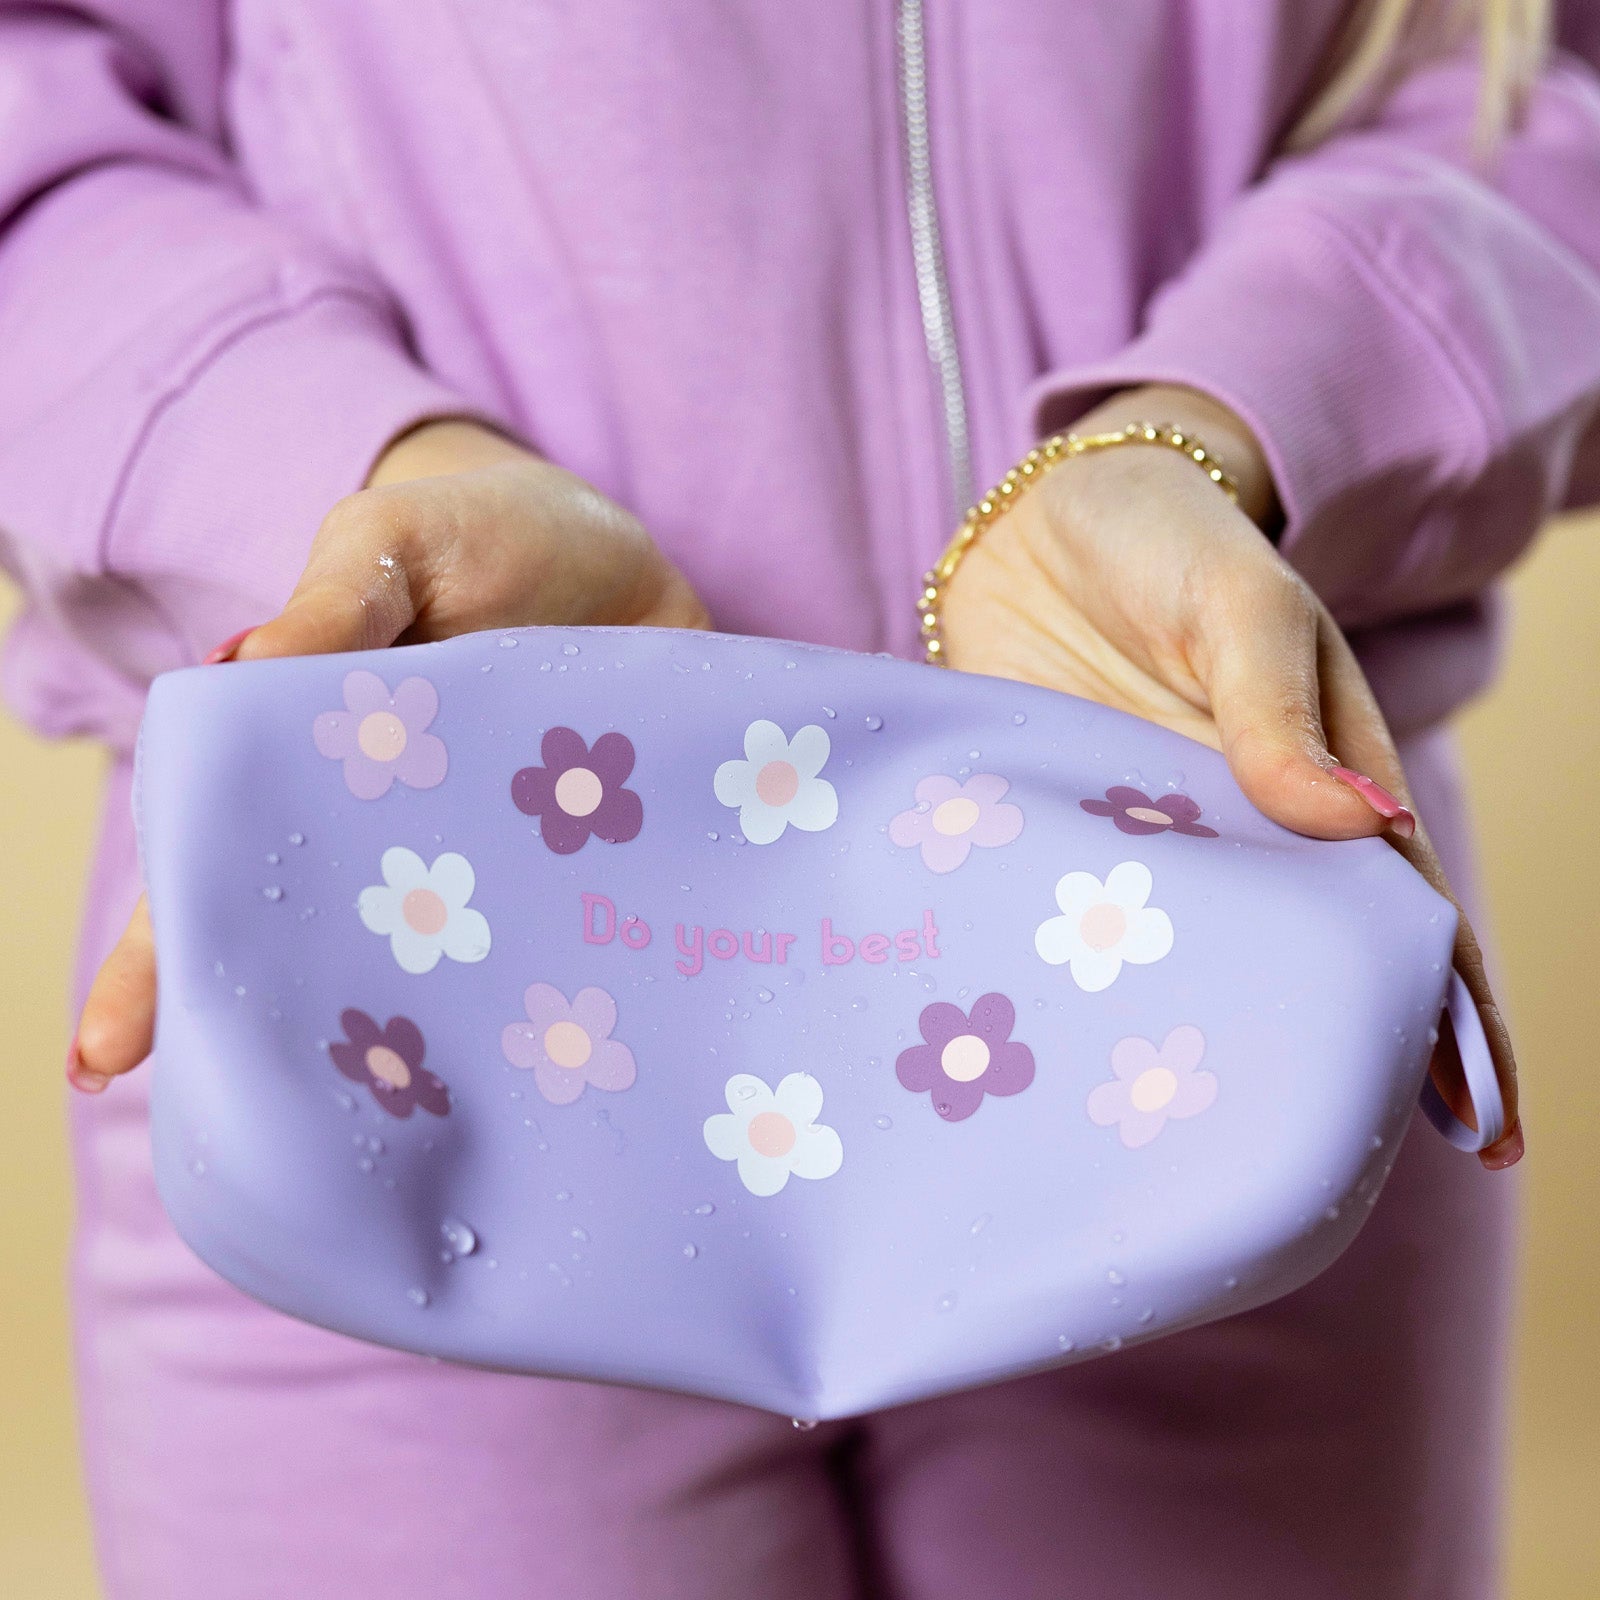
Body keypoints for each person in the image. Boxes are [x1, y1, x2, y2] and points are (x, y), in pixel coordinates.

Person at [2, 1, 1595, 1594]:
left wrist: (1227, 428)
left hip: (1205, 982)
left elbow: (1537, 95)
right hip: (422, 989)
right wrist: (356, 471)